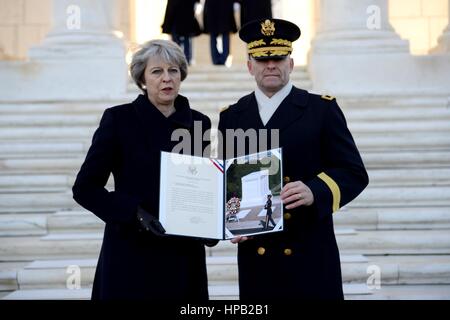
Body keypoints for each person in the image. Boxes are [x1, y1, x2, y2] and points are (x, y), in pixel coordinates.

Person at [218, 18, 369, 300]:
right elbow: (227, 180)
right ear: (250, 66)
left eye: (278, 57)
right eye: (262, 59)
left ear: (290, 63)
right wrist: (227, 221)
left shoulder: (320, 109)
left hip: (309, 249)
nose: (271, 65)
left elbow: (353, 172)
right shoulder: (232, 116)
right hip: (257, 255)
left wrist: (316, 190)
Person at [72, 39, 216, 300]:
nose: (166, 79)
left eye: (173, 70)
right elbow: (85, 188)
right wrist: (133, 213)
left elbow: (202, 183)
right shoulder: (118, 119)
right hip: (131, 251)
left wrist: (211, 223)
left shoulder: (198, 122)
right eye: (157, 71)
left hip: (183, 254)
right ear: (142, 78)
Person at [161, 0, 201, 65]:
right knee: (181, 42)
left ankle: (181, 60)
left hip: (180, 21)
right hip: (182, 21)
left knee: (180, 42)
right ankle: (183, 60)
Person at [203, 0, 237, 65]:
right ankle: (223, 59)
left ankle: (216, 60)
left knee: (215, 37)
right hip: (224, 11)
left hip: (213, 11)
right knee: (224, 36)